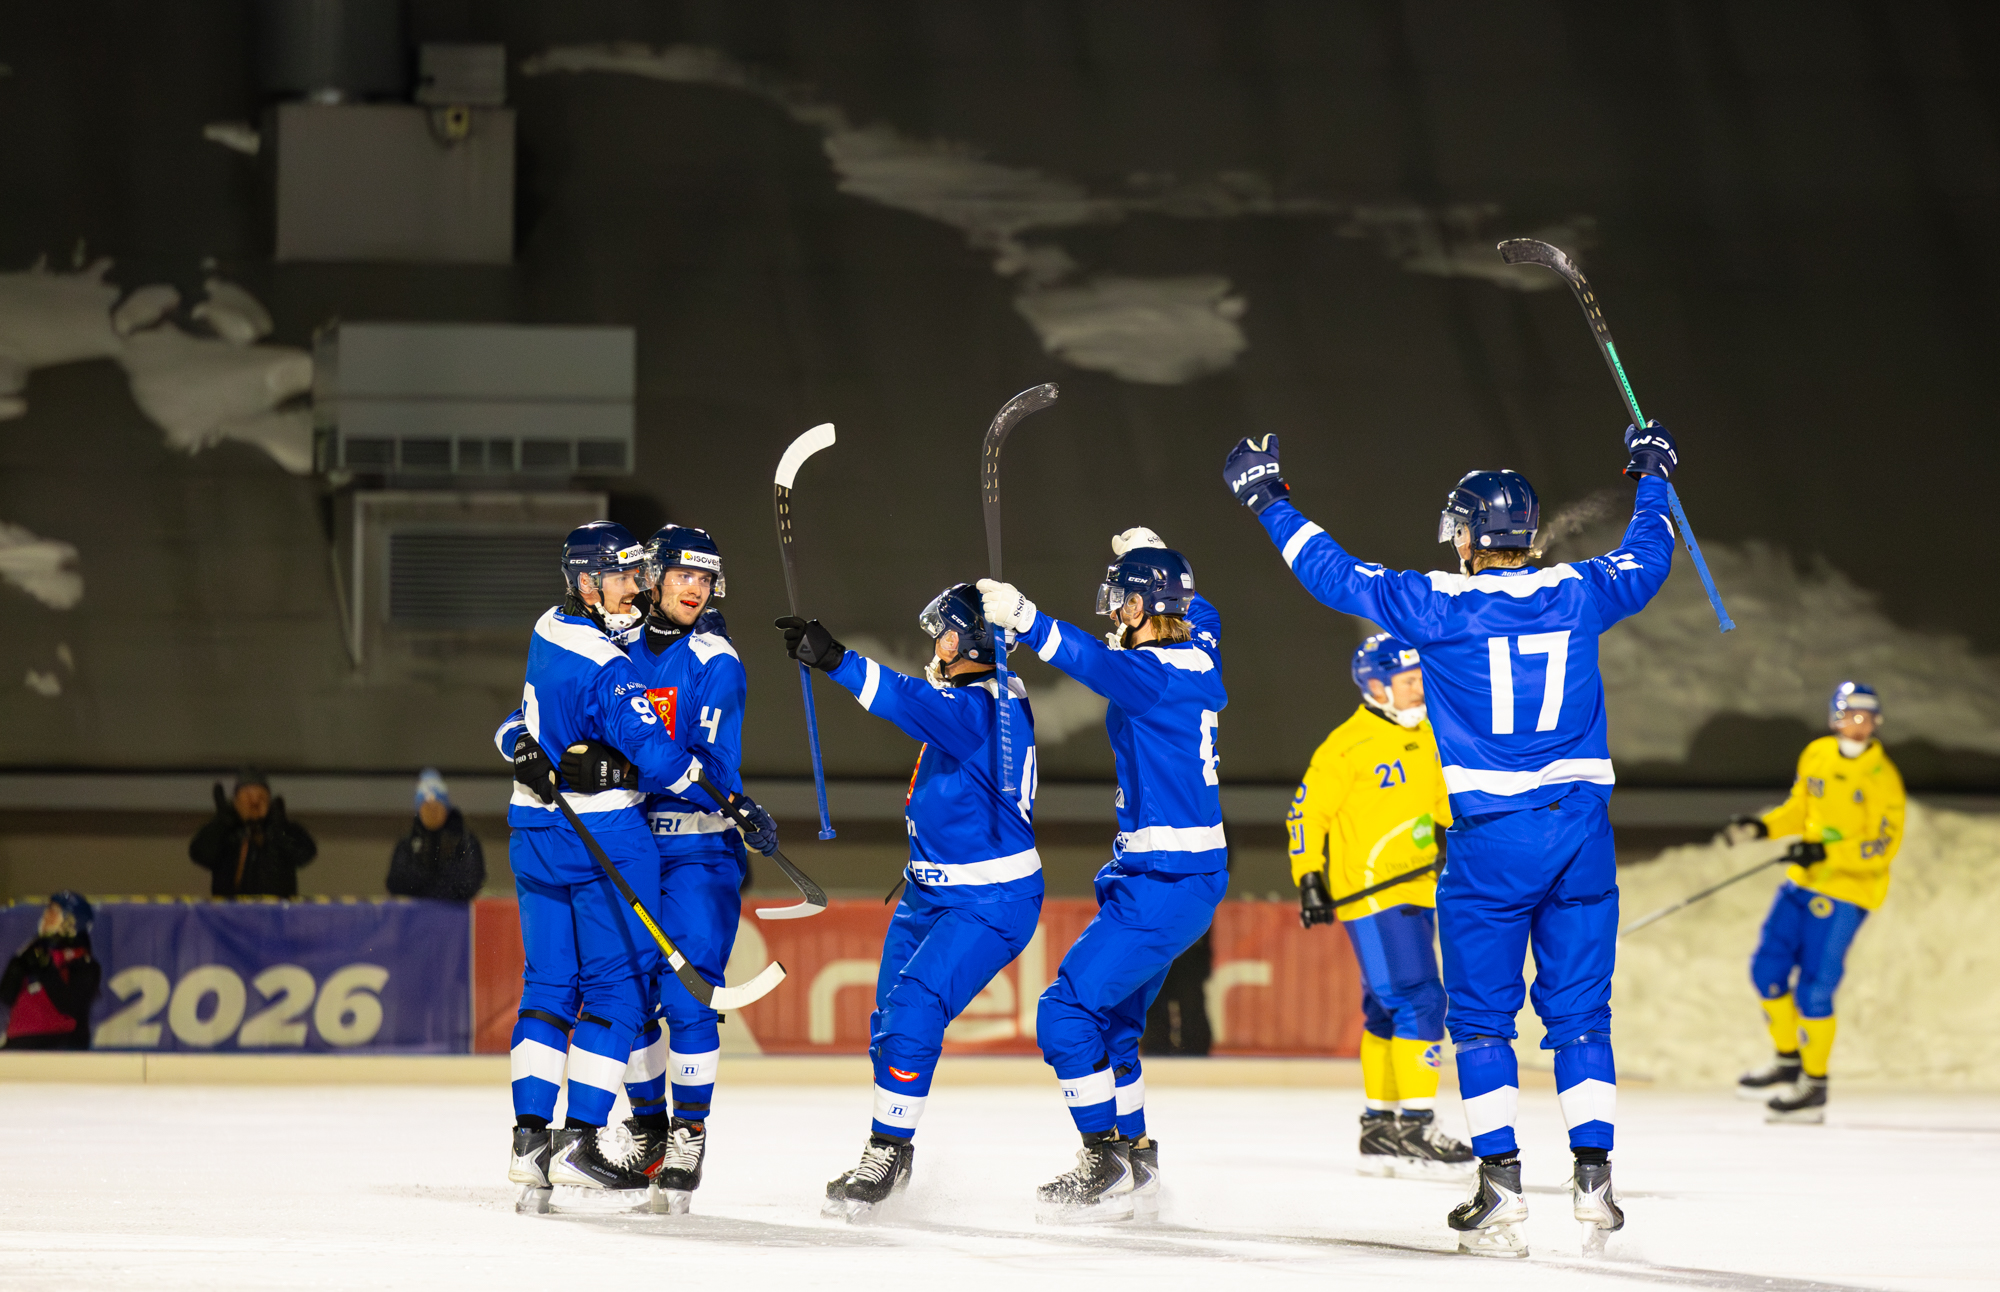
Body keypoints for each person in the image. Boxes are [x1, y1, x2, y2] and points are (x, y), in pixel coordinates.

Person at [1224, 420, 1679, 1258]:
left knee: (1480, 1022)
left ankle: (1500, 1187)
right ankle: (1594, 1182)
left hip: (1491, 840)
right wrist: (1653, 475)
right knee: (1582, 1018)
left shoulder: (1436, 602)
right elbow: (1650, 558)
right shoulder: (1582, 590)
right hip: (1580, 830)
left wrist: (1267, 498)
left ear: (1470, 537)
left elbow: (1330, 572)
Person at [496, 520, 774, 1211]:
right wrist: (522, 743)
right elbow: (537, 715)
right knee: (630, 997)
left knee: (684, 996)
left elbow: (694, 765)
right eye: (684, 575)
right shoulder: (618, 644)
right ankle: (645, 1129)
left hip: (697, 848)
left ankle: (687, 1131)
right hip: (630, 842)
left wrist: (731, 802)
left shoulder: (715, 658)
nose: (695, 589)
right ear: (652, 578)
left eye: (706, 579)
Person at [977, 527, 1228, 1224]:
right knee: (1113, 1024)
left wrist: (1025, 617)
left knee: (1064, 1013)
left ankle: (1105, 1157)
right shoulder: (1199, 651)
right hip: (1172, 876)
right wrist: (1160, 550)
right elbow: (1198, 613)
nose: (1114, 612)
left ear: (1148, 608)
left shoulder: (1147, 676)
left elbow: (1083, 657)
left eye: (1123, 600)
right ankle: (1137, 1157)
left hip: (1165, 880)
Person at [775, 584, 1041, 1222]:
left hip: (986, 898)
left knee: (915, 1007)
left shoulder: (979, 705)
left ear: (962, 641)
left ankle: (885, 1146)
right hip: (932, 889)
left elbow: (903, 698)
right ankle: (894, 1147)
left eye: (941, 635)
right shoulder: (990, 698)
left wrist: (834, 658)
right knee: (890, 1019)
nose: (935, 648)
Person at [1289, 633, 1472, 1179]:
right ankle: (1415, 1128)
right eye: (1409, 682)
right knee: (1420, 1000)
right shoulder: (1347, 745)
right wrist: (1310, 879)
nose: (1420, 690)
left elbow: (1445, 807)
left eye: (1420, 680)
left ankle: (1381, 1127)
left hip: (1417, 890)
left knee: (1387, 1009)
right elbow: (1306, 814)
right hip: (1372, 893)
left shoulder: (1432, 736)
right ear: (1376, 686)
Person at [1722, 681, 1904, 1124]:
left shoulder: (1882, 777)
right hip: (1803, 881)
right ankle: (1787, 1057)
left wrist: (1829, 852)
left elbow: (1883, 843)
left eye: (1865, 715)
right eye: (1848, 713)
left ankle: (1814, 1087)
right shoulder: (1817, 754)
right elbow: (1800, 808)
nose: (1856, 722)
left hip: (1845, 891)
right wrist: (1763, 828)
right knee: (1767, 967)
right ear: (1833, 716)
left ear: (1876, 721)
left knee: (1815, 987)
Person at [188, 770, 317, 898]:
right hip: (230, 915)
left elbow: (305, 854)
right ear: (236, 801)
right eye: (248, 797)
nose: (254, 803)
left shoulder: (279, 831)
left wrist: (281, 828)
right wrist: (221, 823)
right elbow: (200, 854)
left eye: (261, 797)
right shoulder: (227, 833)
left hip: (275, 915)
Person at [1, 892, 101, 1050]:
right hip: (18, 1042)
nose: (46, 916)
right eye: (47, 911)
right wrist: (19, 963)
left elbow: (71, 1006)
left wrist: (46, 969)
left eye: (54, 912)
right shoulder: (31, 953)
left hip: (57, 1044)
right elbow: (6, 995)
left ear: (71, 922)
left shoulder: (82, 962)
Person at [385, 769, 486, 901]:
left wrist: (427, 885)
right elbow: (396, 883)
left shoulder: (465, 841)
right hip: (416, 919)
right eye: (426, 807)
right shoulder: (408, 844)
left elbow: (470, 883)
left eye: (437, 807)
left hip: (457, 919)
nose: (432, 813)